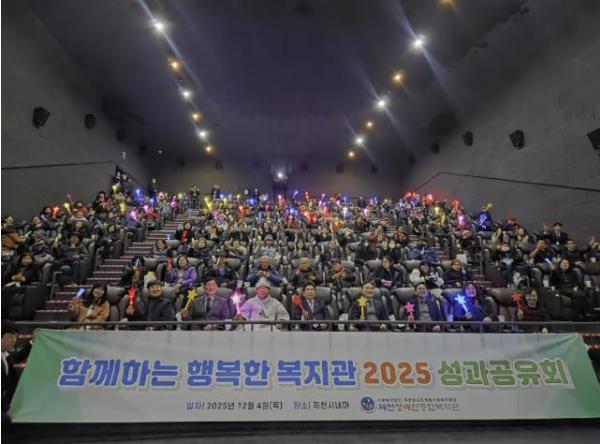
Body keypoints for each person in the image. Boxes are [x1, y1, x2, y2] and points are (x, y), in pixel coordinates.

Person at [2, 321, 32, 414]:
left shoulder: (5, 355)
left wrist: (32, 342)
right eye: (10, 336)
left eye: (15, 337)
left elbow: (18, 356)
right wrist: (5, 409)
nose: (14, 340)